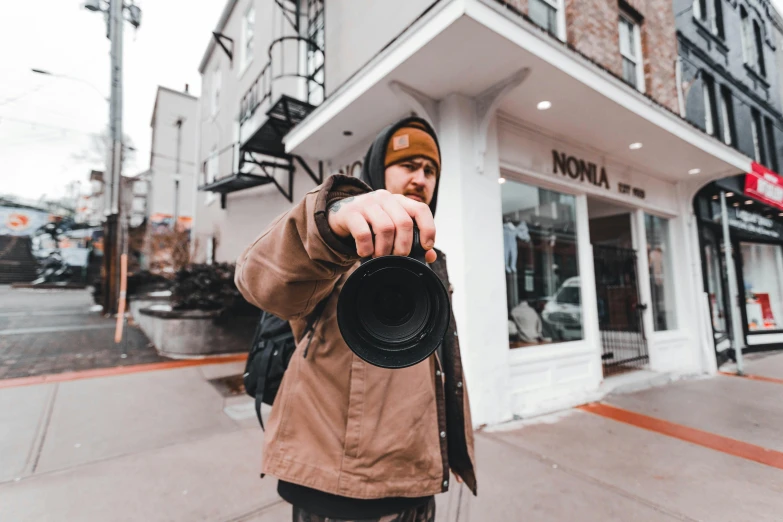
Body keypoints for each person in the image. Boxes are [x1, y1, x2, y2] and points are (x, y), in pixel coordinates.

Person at [235, 116, 477, 522]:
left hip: (417, 481)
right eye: (408, 164)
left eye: (430, 169)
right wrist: (331, 220)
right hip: (339, 493)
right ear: (379, 168)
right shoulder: (339, 245)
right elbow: (257, 280)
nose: (421, 177)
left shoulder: (432, 261)